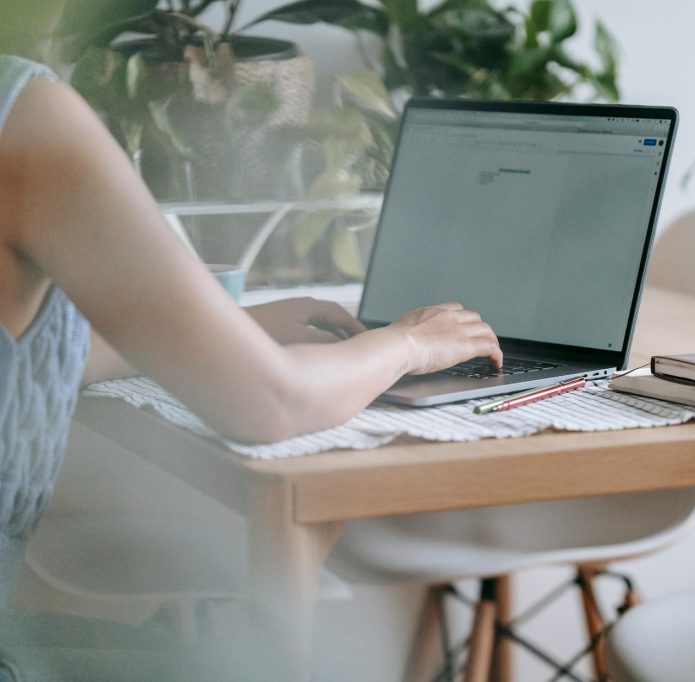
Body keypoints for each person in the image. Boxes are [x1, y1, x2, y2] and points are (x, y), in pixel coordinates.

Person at [0, 8, 502, 679]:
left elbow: (33, 361)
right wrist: (409, 343)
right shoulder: (25, 115)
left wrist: (235, 334)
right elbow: (272, 405)